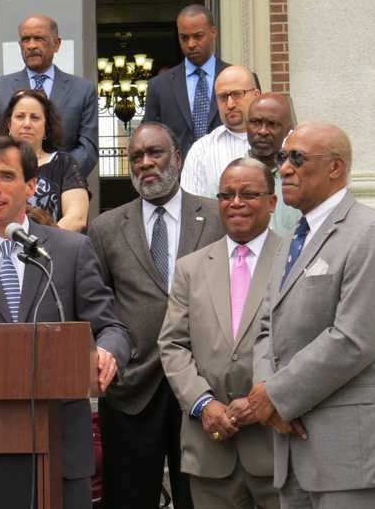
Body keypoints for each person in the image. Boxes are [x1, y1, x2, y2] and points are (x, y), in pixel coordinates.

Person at [0, 135, 132, 509]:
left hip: (61, 443)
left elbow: (112, 327)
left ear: (31, 186)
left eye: (6, 176)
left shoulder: (70, 251)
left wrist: (107, 352)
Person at [247, 122, 375, 508]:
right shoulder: (290, 242)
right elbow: (267, 328)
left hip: (349, 456)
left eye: (297, 158)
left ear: (335, 168)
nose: (284, 168)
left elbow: (354, 339)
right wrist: (268, 399)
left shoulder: (371, 232)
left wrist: (278, 396)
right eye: (283, 159)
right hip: (291, 447)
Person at [87, 122, 224, 509]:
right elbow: (98, 305)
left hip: (202, 388)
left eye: (155, 153)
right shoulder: (106, 227)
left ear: (177, 158)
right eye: (136, 157)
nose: (145, 163)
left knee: (199, 499)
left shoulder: (215, 217)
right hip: (132, 390)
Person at [158, 158, 281, 509]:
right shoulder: (191, 268)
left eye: (248, 193)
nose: (236, 202)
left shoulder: (293, 260)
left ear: (272, 202)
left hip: (277, 447)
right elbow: (172, 344)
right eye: (226, 195)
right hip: (210, 446)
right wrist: (204, 403)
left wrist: (267, 398)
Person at [0, 14, 98, 178]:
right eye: (26, 39)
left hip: (65, 189)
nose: (31, 45)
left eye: (39, 38)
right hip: (12, 187)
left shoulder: (83, 90)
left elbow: (88, 148)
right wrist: (17, 176)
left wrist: (58, 175)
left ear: (56, 44)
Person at [0, 89, 89, 231]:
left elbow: (77, 218)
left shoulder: (64, 163)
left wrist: (38, 245)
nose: (27, 124)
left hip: (50, 249)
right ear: (9, 125)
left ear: (46, 128)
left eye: (35, 118)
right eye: (20, 117)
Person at [143, 4, 229, 157]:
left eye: (198, 36)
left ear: (213, 32)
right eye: (184, 37)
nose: (191, 44)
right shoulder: (159, 86)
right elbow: (148, 140)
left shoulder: (237, 79)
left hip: (229, 176)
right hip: (178, 178)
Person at [180, 65, 260, 198]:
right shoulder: (201, 151)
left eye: (237, 94)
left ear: (256, 95)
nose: (230, 104)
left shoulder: (284, 142)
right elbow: (190, 210)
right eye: (223, 97)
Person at [246, 93, 302, 236]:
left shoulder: (300, 183)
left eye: (272, 124)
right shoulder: (225, 181)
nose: (263, 131)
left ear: (287, 130)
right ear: (246, 126)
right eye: (256, 122)